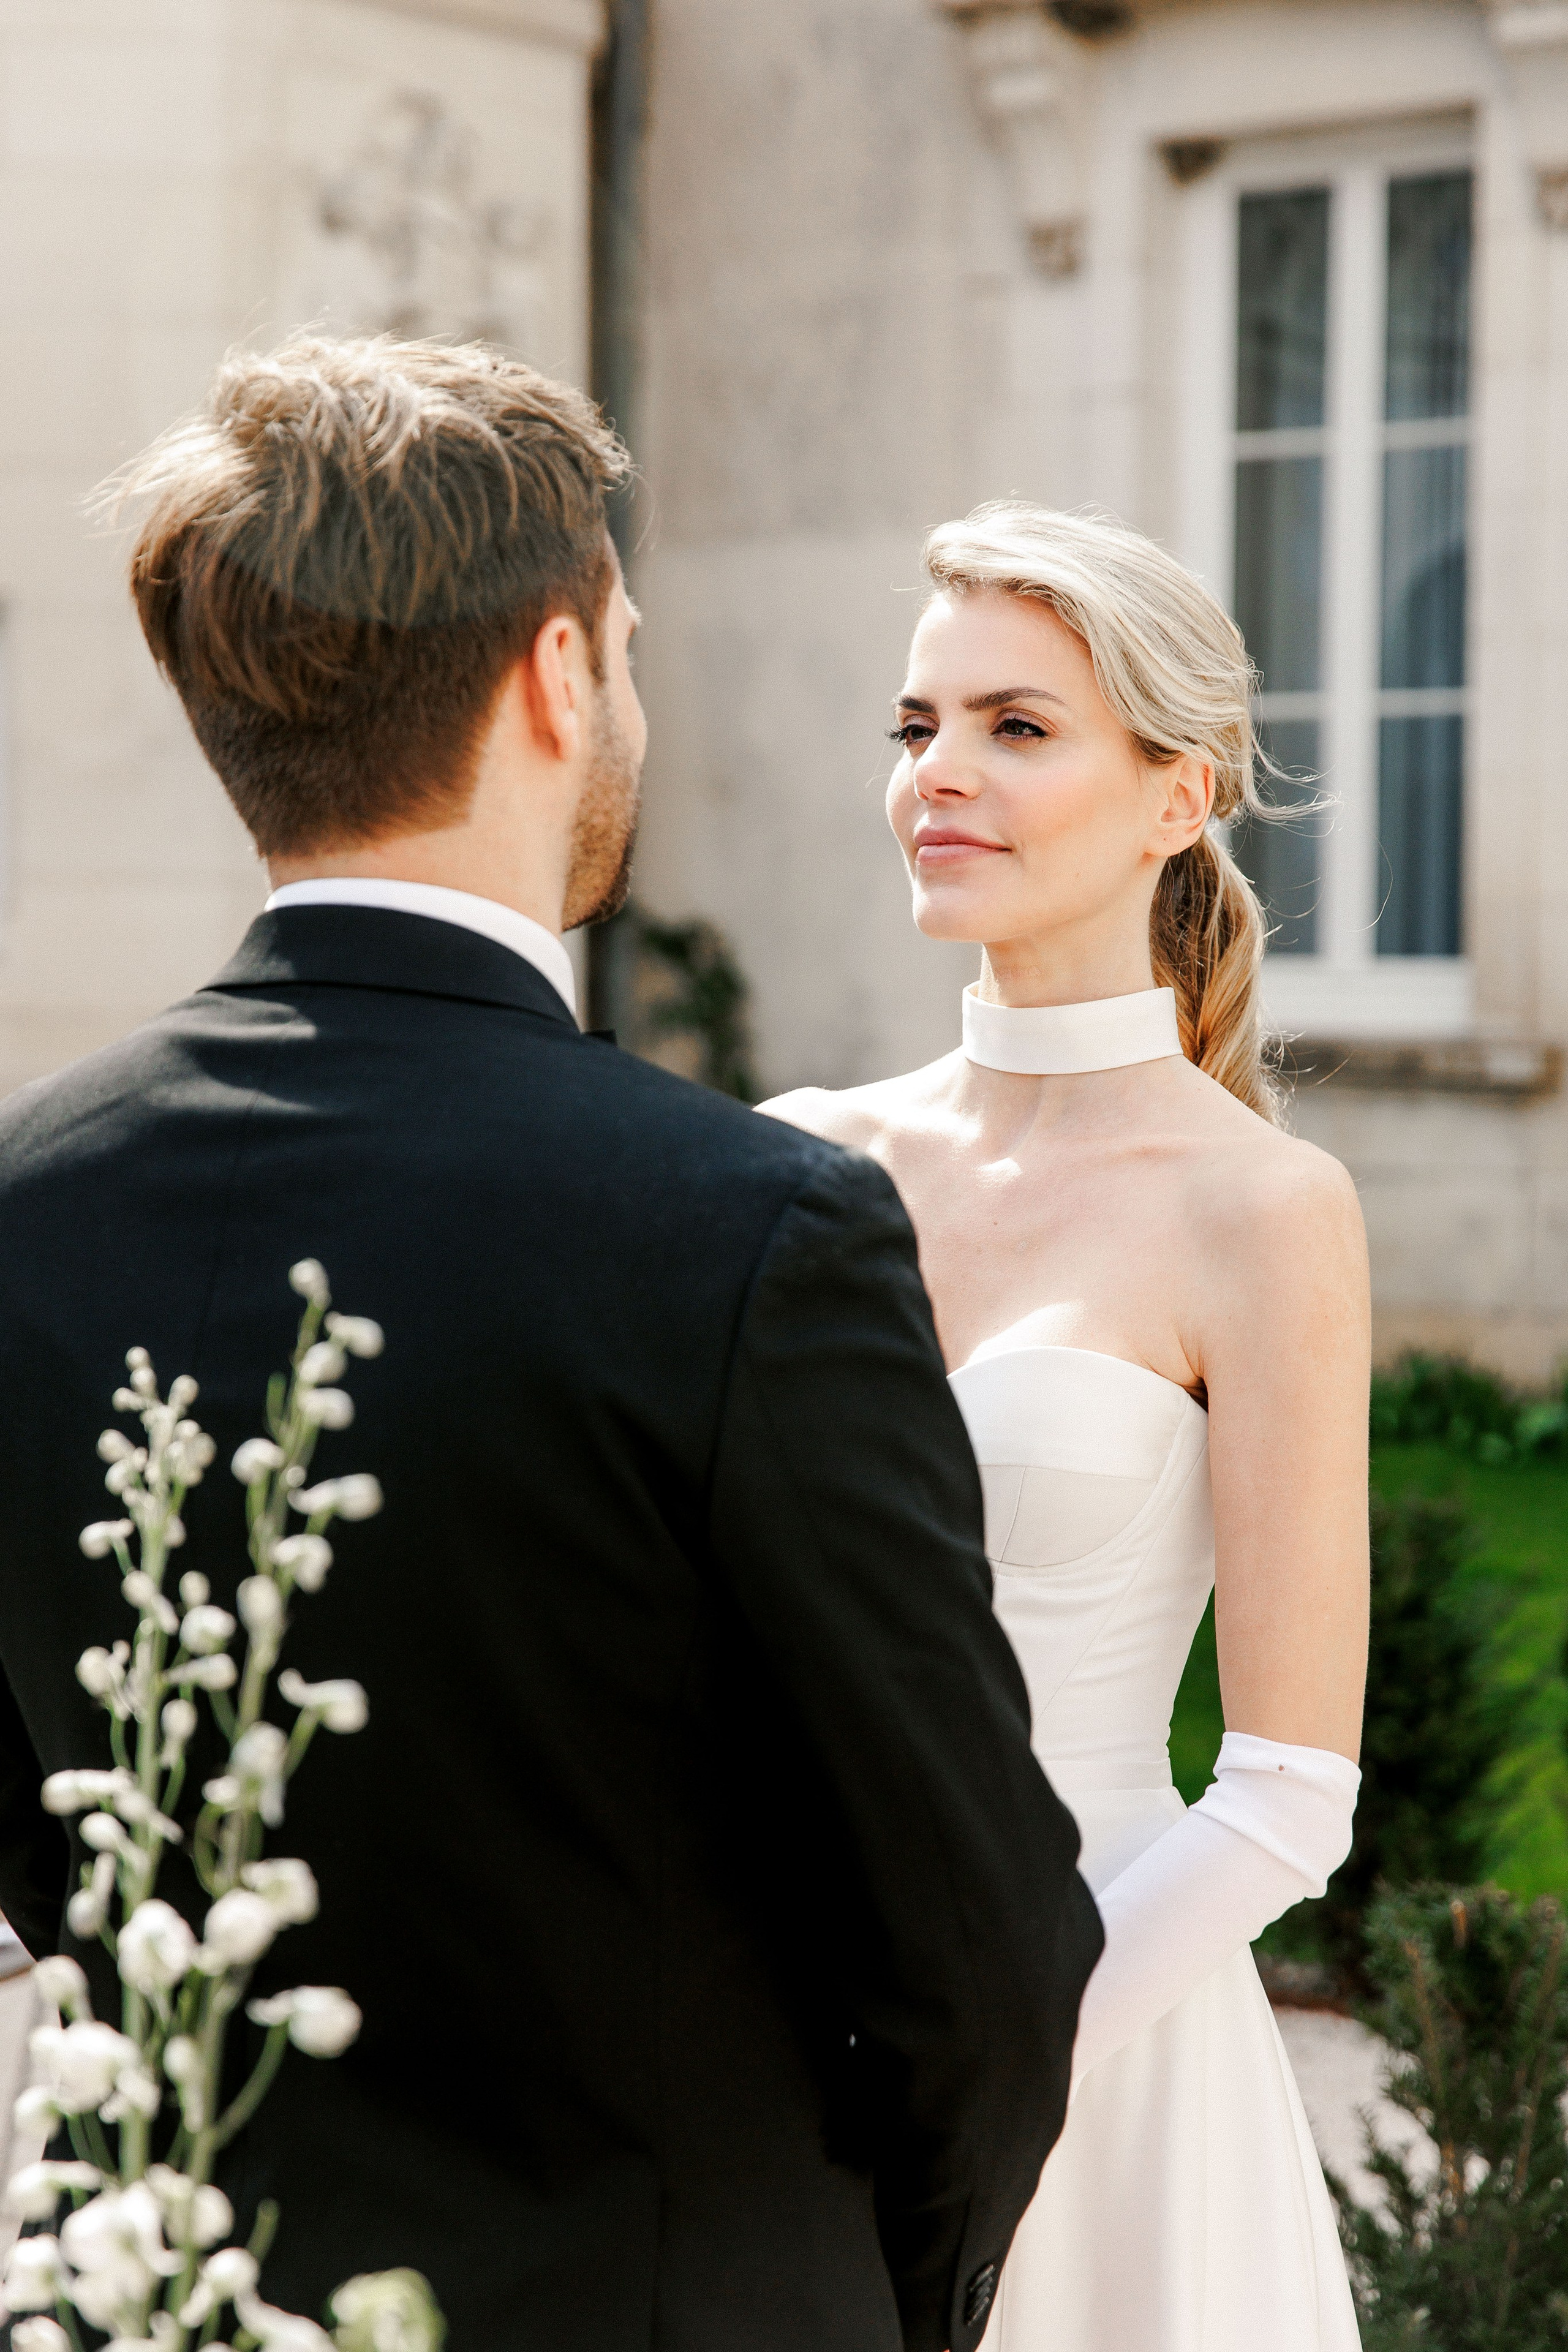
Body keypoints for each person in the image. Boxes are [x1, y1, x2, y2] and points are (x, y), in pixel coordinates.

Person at [0, 348, 1102, 2351]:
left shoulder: (14, 1208)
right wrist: (888, 2301)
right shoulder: (755, 1232)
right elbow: (978, 1940)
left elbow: (50, 1839)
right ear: (558, 673)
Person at [763, 503, 1370, 2351]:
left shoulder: (1263, 1212)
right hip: (776, 2050)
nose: (940, 774)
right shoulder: (799, 1163)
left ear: (1177, 799)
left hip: (1106, 2031)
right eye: (917, 726)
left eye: (1018, 727)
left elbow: (1287, 1801)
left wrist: (993, 2060)